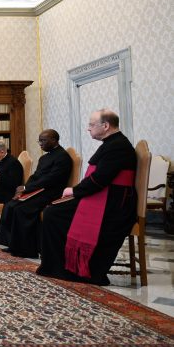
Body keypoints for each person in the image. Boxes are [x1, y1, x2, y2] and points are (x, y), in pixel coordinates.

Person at [37, 109, 137, 286]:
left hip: (114, 204)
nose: (88, 128)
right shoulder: (112, 143)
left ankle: (68, 268)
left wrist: (74, 191)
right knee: (54, 211)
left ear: (105, 126)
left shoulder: (118, 146)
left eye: (91, 124)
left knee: (54, 214)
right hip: (106, 196)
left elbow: (100, 179)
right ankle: (62, 265)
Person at [0, 129, 72, 257]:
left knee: (22, 209)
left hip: (52, 192)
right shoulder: (44, 157)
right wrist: (24, 188)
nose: (40, 144)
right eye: (39, 141)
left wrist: (27, 188)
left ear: (54, 140)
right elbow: (36, 176)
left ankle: (27, 250)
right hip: (38, 190)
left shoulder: (62, 157)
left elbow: (51, 179)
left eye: (43, 140)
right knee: (11, 205)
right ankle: (14, 244)